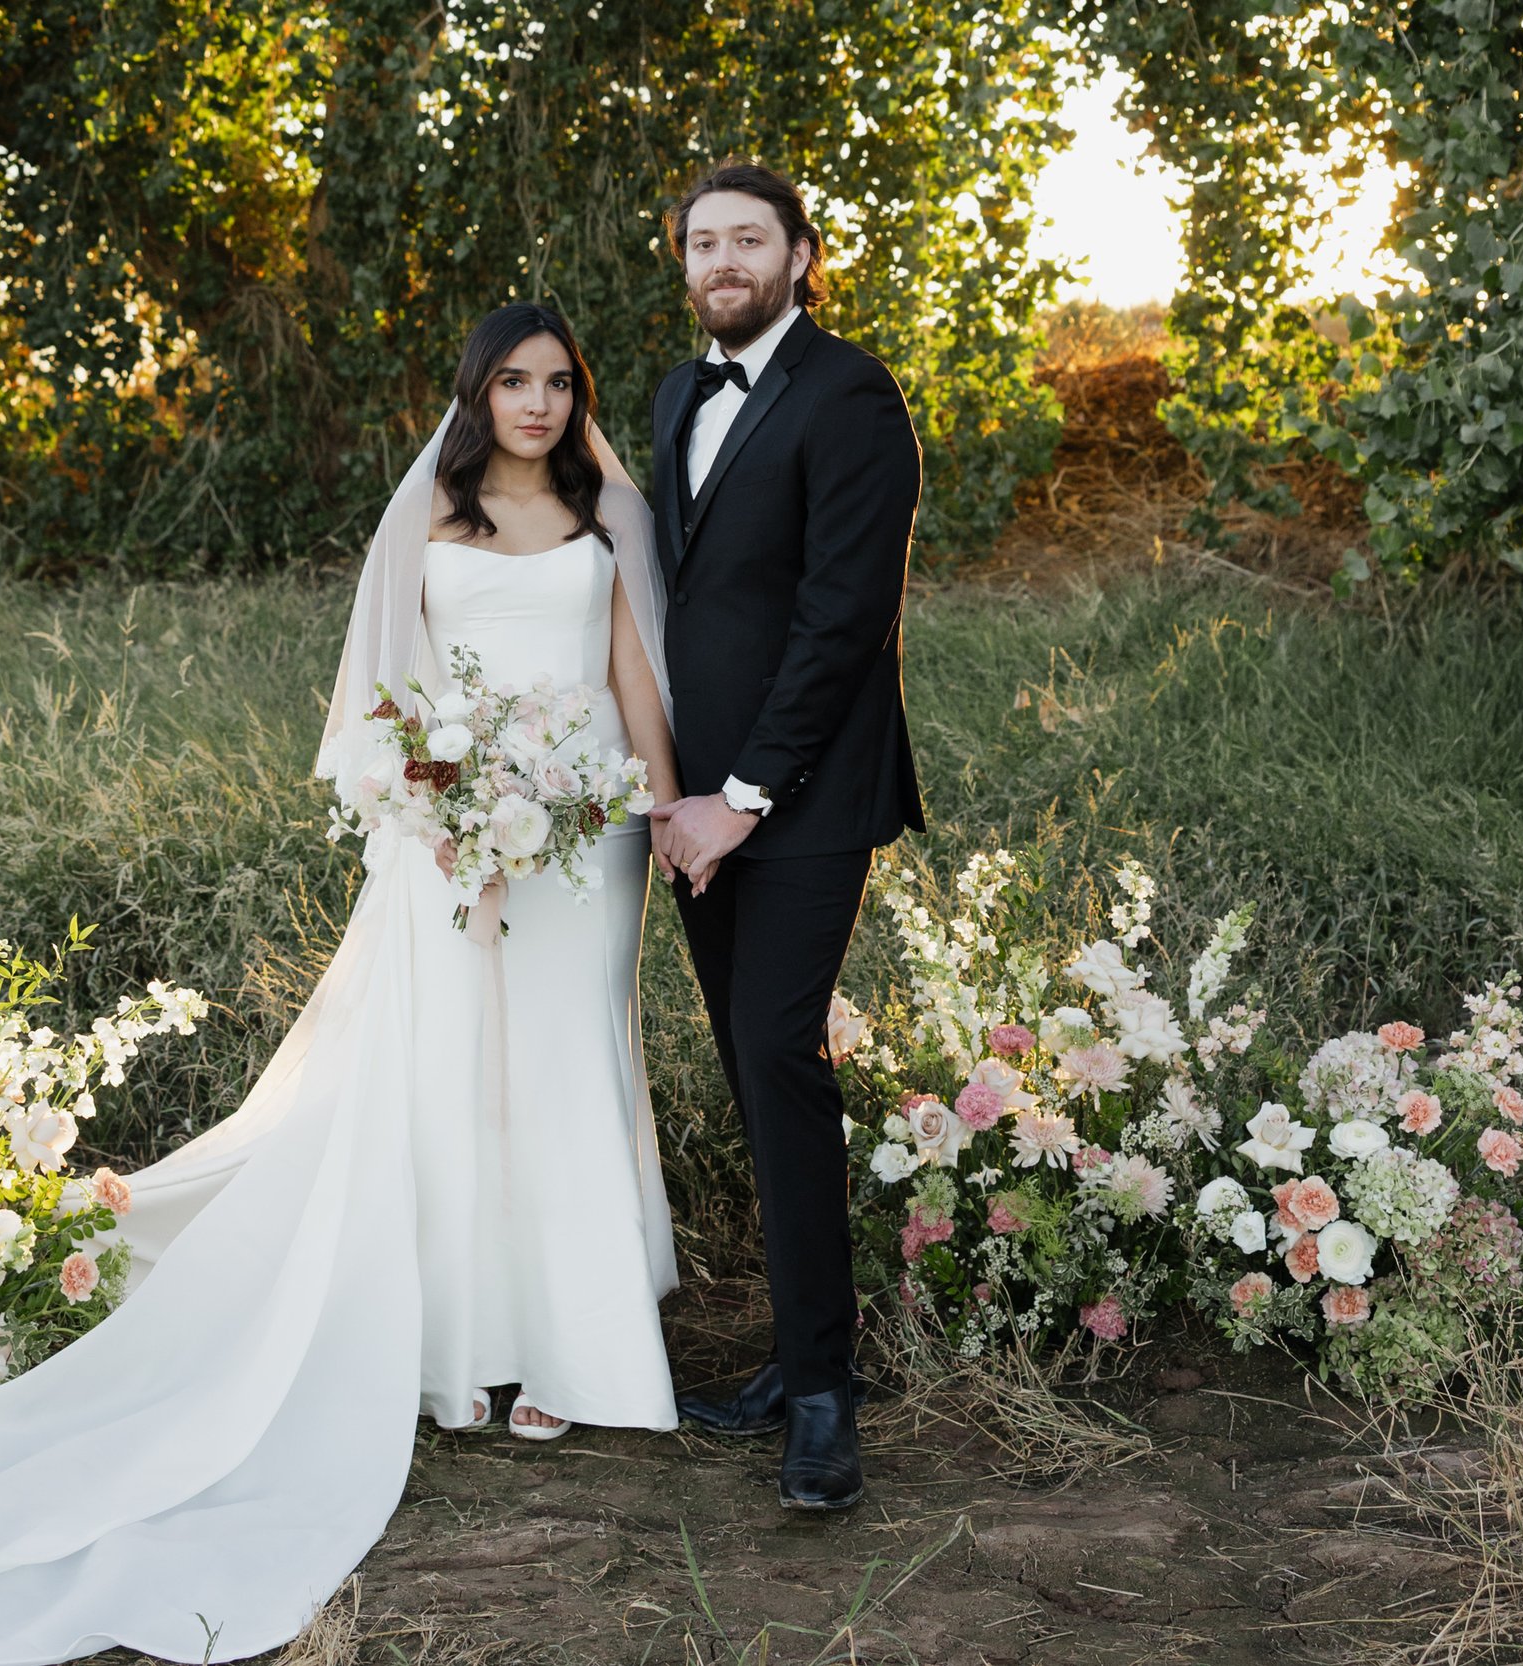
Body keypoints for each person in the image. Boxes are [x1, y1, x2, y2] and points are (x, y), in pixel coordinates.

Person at [0, 303, 685, 1665]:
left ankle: (575, 1344)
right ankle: (467, 1339)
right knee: (453, 1076)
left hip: (589, 838)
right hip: (452, 843)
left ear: (580, 399)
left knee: (570, 1063)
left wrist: (667, 811)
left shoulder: (604, 522)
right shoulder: (434, 524)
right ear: (477, 395)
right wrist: (447, 805)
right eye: (512, 381)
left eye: (557, 382)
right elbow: (379, 706)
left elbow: (634, 676)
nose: (535, 402)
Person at [644, 161, 925, 1514]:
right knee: (750, 1072)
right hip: (690, 803)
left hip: (802, 799)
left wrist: (743, 795)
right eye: (705, 240)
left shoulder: (852, 395)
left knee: (778, 1052)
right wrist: (665, 790)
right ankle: (785, 1357)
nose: (726, 258)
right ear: (686, 262)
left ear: (804, 254)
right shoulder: (670, 395)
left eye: (751, 237)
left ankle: (825, 1397)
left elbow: (840, 620)